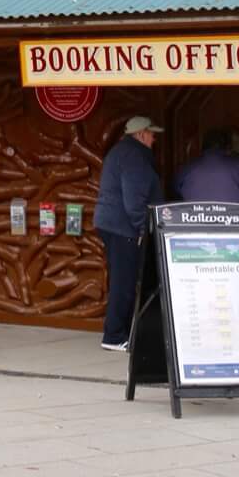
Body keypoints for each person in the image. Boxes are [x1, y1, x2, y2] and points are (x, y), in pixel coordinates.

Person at [93, 115, 163, 351]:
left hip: (112, 224)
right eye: (152, 134)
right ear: (141, 134)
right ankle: (114, 336)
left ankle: (119, 332)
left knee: (122, 279)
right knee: (125, 281)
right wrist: (144, 228)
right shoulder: (135, 156)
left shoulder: (121, 151)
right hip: (123, 227)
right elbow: (133, 199)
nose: (155, 139)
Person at [175, 127, 239, 205]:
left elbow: (176, 193)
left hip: (195, 224)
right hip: (237, 224)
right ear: (228, 147)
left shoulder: (185, 171)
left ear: (202, 147)